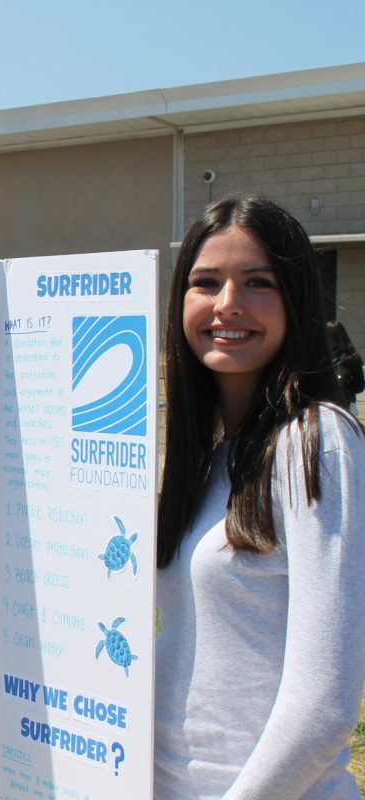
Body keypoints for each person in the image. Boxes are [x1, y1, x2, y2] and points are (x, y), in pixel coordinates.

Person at [155, 196, 365, 799]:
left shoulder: (316, 440)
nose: (227, 304)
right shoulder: (212, 457)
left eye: (257, 283)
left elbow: (323, 708)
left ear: (296, 300)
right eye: (206, 282)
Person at [327, 320, 364, 415]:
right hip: (347, 405)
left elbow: (359, 385)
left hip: (339, 406)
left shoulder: (327, 358)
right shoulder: (352, 355)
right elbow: (359, 386)